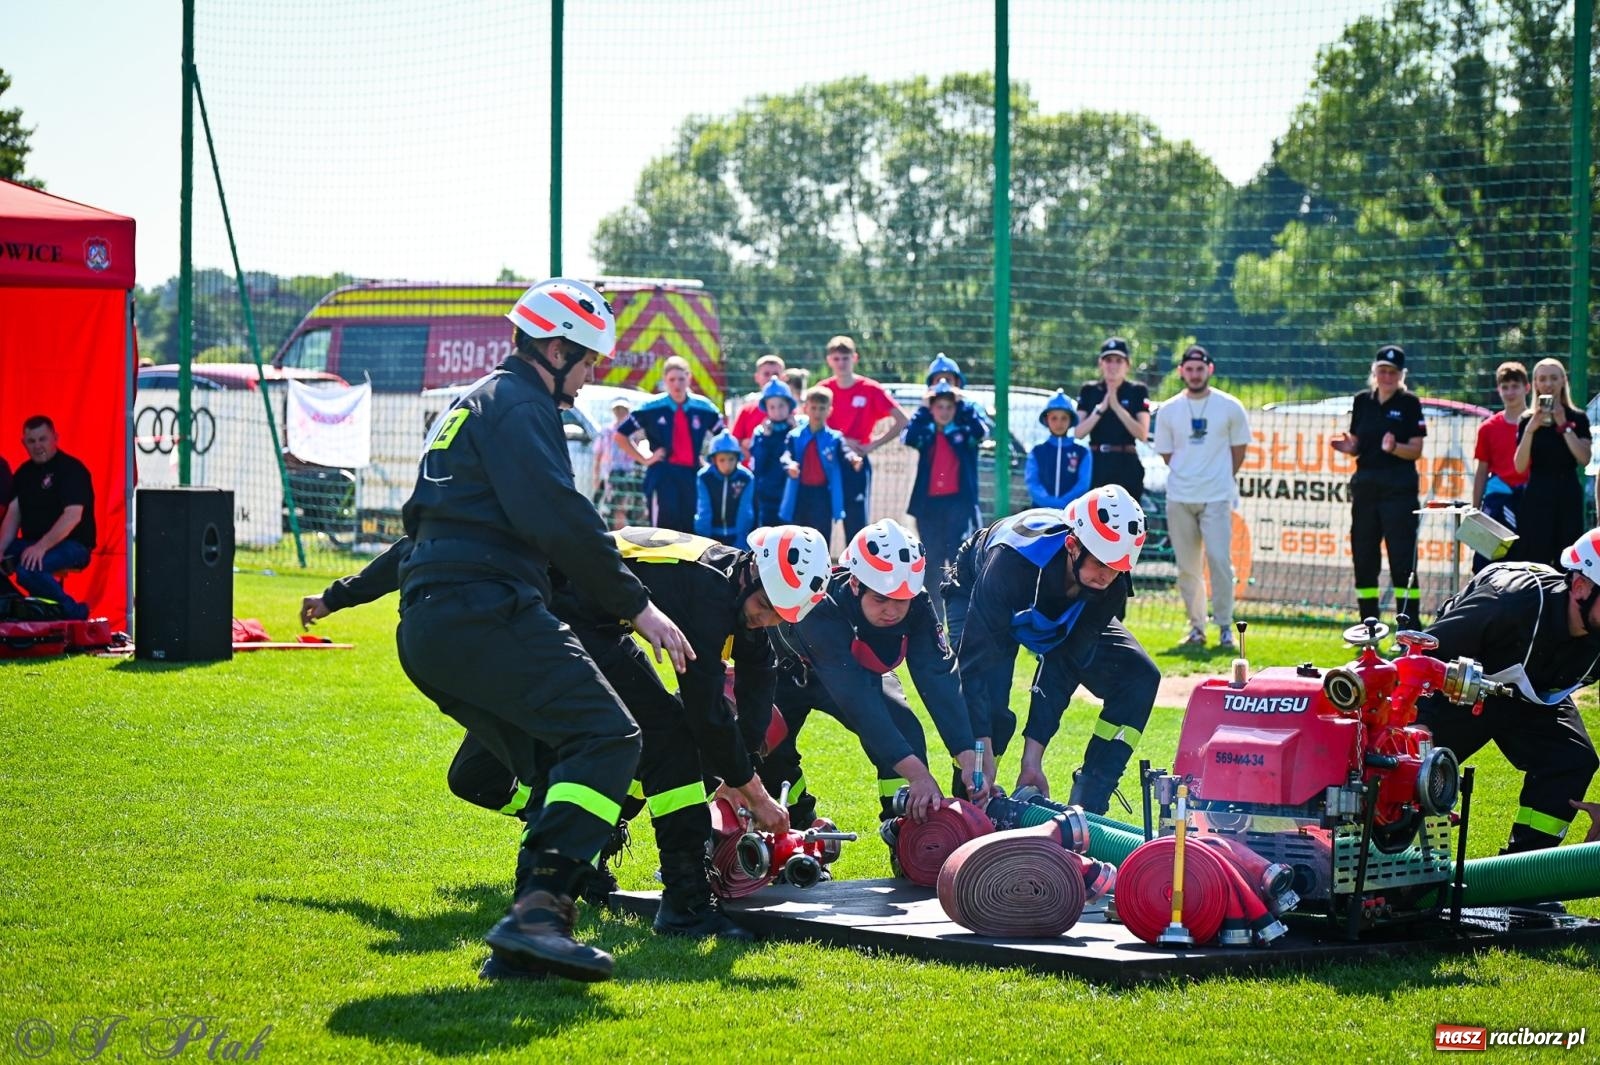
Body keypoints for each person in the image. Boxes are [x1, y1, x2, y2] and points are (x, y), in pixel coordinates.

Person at [394, 277, 693, 984]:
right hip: (487, 607)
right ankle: (537, 916)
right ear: (555, 347)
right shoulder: (521, 406)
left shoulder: (474, 404)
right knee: (610, 736)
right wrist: (638, 605)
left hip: (430, 620)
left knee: (554, 761)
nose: (591, 376)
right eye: (589, 359)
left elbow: (421, 527)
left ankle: (527, 937)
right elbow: (560, 517)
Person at [758, 519, 988, 835]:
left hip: (859, 675)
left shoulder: (917, 603)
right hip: (787, 676)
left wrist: (965, 755)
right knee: (769, 745)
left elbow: (938, 677)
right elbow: (858, 702)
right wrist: (919, 775)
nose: (892, 611)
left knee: (904, 730)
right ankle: (795, 826)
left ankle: (905, 832)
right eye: (880, 599)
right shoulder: (820, 607)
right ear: (855, 584)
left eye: (901, 600)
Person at [942, 486, 1160, 815]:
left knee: (1140, 677)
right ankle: (968, 811)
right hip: (976, 584)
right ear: (1072, 545)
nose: (1108, 574)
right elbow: (974, 665)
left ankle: (1088, 811)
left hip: (1042, 606)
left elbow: (1064, 665)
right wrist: (981, 750)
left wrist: (1033, 761)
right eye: (1102, 562)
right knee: (992, 710)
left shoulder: (1109, 586)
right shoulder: (1012, 564)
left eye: (1118, 567)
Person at [1417, 528, 1600, 853]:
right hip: (1459, 690)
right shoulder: (1509, 602)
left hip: (1531, 701)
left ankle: (1524, 874)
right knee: (1410, 761)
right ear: (1581, 587)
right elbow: (1425, 654)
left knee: (1572, 758)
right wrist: (1418, 728)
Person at [1152, 345, 1251, 650]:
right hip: (1180, 496)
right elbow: (1167, 454)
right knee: (1187, 567)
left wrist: (1217, 477)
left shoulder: (1230, 406)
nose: (1195, 374)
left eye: (1200, 369)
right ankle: (1197, 628)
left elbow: (1239, 450)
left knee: (1220, 561)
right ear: (1181, 371)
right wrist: (1190, 474)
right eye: (1189, 369)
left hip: (1217, 497)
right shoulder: (1169, 409)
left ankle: (1224, 626)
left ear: (1210, 369)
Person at [1329, 344, 1427, 625]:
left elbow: (1416, 450)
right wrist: (1350, 446)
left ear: (1400, 375)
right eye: (1382, 370)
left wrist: (1395, 447)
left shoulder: (1409, 403)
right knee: (1364, 557)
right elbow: (1359, 443)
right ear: (1374, 372)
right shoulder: (1362, 401)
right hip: (1366, 490)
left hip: (1399, 492)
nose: (1387, 377)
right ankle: (1368, 625)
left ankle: (1409, 628)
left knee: (1402, 561)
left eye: (1392, 372)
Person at [903, 381, 985, 623]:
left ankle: (960, 617)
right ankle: (934, 618)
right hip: (929, 507)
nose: (944, 412)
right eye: (939, 406)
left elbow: (980, 432)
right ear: (932, 409)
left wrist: (964, 405)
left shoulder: (964, 432)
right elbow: (909, 436)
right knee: (933, 561)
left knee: (959, 560)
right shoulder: (926, 432)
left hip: (958, 504)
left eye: (949, 407)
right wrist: (922, 407)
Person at [0, 416, 96, 620]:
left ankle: (74, 613)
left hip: (73, 545)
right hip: (32, 543)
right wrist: (0, 550)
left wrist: (40, 547)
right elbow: (13, 516)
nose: (37, 446)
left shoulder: (72, 470)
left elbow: (72, 517)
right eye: (31, 441)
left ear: (55, 438)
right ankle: (19, 610)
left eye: (42, 439)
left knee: (28, 570)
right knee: (14, 561)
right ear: (23, 443)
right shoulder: (23, 474)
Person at [616, 355, 725, 533]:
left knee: (691, 526)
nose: (677, 384)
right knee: (664, 528)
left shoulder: (704, 408)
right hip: (662, 474)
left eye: (681, 379)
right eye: (672, 379)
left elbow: (724, 436)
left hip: (692, 474)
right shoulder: (651, 408)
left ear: (689, 378)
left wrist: (711, 463)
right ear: (665, 381)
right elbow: (620, 435)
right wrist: (645, 459)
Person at [820, 335, 908, 539]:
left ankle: (856, 569)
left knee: (856, 525)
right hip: (827, 463)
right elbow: (811, 424)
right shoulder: (824, 390)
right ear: (829, 360)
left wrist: (872, 445)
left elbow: (902, 420)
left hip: (856, 464)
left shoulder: (870, 389)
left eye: (845, 358)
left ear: (855, 358)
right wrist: (840, 440)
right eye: (836, 358)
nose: (841, 363)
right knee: (821, 522)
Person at [1512, 357, 1591, 568]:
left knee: (1567, 559)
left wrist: (1563, 424)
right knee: (1534, 558)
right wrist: (1531, 427)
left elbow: (1584, 458)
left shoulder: (1578, 418)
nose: (1548, 384)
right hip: (1538, 493)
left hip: (1567, 492)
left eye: (1554, 378)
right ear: (1535, 383)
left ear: (1563, 381)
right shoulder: (1527, 420)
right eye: (1543, 379)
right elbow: (1519, 466)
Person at [1075, 337, 1151, 501]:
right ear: (1100, 363)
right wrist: (1101, 409)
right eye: (1108, 360)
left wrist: (1117, 406)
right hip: (1096, 463)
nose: (1113, 366)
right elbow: (1078, 432)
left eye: (1118, 360)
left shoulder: (1137, 391)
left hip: (1126, 463)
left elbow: (1142, 434)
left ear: (1127, 364)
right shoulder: (1089, 390)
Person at [1471, 361, 1530, 570]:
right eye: (1505, 387)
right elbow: (1482, 470)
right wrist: (1475, 509)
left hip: (1530, 501)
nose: (1510, 392)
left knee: (1525, 563)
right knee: (1485, 564)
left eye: (1515, 386)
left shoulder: (1538, 424)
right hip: (1496, 501)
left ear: (1527, 387)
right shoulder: (1488, 428)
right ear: (1498, 390)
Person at [781, 386, 852, 542]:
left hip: (822, 494)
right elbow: (786, 455)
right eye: (813, 408)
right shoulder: (795, 436)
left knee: (821, 536)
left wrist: (853, 459)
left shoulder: (834, 438)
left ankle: (821, 566)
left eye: (822, 408)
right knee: (797, 536)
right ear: (805, 409)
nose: (817, 413)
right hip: (800, 492)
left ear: (829, 411)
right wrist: (789, 465)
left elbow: (846, 452)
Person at [1025, 390, 1093, 510]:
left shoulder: (1082, 451)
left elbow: (1083, 484)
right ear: (1047, 420)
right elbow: (1032, 483)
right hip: (1040, 511)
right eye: (1054, 418)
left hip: (1072, 512)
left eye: (1064, 418)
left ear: (1071, 420)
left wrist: (1065, 503)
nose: (1059, 423)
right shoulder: (1037, 450)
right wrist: (1049, 502)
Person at [748, 378, 798, 528]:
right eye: (772, 407)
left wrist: (795, 431)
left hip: (791, 493)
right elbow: (758, 466)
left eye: (781, 406)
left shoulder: (798, 430)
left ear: (789, 406)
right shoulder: (760, 433)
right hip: (767, 495)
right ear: (766, 408)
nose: (777, 411)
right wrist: (766, 438)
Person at [695, 431, 756, 546]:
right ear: (714, 460)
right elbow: (704, 510)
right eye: (722, 460)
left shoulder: (746, 478)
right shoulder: (704, 477)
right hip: (712, 535)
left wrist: (741, 540)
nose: (727, 465)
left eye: (731, 459)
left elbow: (745, 511)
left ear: (737, 458)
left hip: (736, 535)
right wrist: (704, 542)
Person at [594, 397, 643, 529]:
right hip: (610, 473)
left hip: (629, 474)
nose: (620, 412)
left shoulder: (634, 431)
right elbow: (598, 454)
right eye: (617, 409)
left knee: (626, 505)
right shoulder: (607, 431)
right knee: (611, 505)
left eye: (623, 409)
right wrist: (597, 475)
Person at [732, 354, 786, 460]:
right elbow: (735, 444)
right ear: (757, 377)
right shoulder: (747, 410)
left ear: (783, 378)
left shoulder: (791, 411)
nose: (772, 378)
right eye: (766, 374)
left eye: (776, 374)